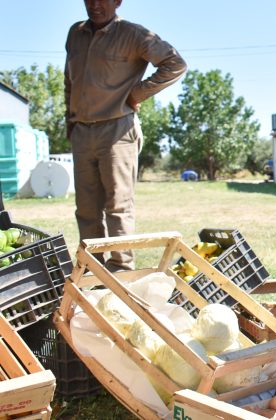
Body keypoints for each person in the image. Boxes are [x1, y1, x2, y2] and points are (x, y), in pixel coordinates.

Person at [65, 0, 186, 271]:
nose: (95, 5)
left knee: (118, 206)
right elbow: (68, 82)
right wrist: (69, 123)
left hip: (117, 130)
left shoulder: (134, 34)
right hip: (82, 131)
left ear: (117, 1)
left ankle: (121, 270)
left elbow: (175, 63)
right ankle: (92, 269)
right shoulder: (75, 33)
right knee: (85, 209)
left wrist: (136, 94)